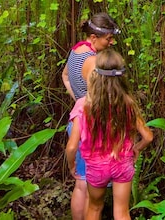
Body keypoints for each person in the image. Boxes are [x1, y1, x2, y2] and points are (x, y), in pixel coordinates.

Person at [66, 49, 153, 220]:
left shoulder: (84, 105)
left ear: (95, 75)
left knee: (94, 207)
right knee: (121, 212)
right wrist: (137, 148)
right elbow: (148, 136)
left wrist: (71, 165)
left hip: (97, 167)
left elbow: (71, 146)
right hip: (122, 163)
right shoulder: (127, 103)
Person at [62, 13, 120, 220]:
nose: (111, 42)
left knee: (81, 183)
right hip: (93, 127)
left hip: (77, 122)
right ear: (94, 37)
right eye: (108, 38)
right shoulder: (94, 62)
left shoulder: (76, 50)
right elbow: (106, 99)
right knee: (91, 185)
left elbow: (65, 76)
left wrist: (78, 99)